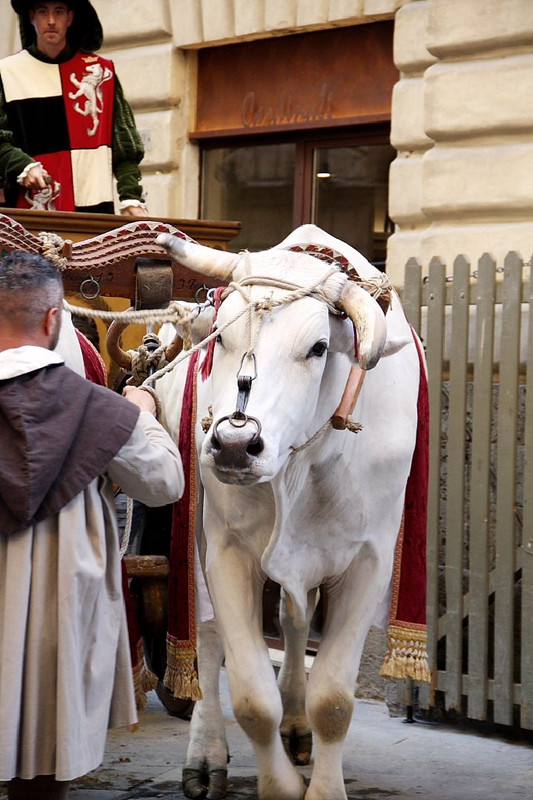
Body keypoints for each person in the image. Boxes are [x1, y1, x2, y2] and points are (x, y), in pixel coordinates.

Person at [0, 251, 184, 800]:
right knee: (45, 765)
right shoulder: (104, 411)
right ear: (56, 318)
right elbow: (164, 484)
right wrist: (143, 410)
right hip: (61, 603)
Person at [0, 1, 148, 215]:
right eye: (43, 11)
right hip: (31, 215)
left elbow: (126, 146)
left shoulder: (101, 72)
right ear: (31, 16)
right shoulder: (7, 72)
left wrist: (131, 197)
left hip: (93, 215)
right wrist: (22, 165)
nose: (51, 21)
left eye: (58, 12)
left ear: (70, 18)